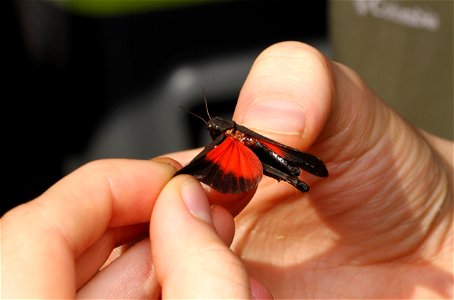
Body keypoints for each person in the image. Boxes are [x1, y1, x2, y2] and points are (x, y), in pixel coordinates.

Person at [1, 42, 452, 299]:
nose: (213, 130)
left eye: (214, 127)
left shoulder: (237, 138)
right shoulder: (230, 142)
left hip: (268, 152)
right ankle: (293, 176)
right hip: (263, 157)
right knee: (275, 165)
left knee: (278, 161)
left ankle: (293, 176)